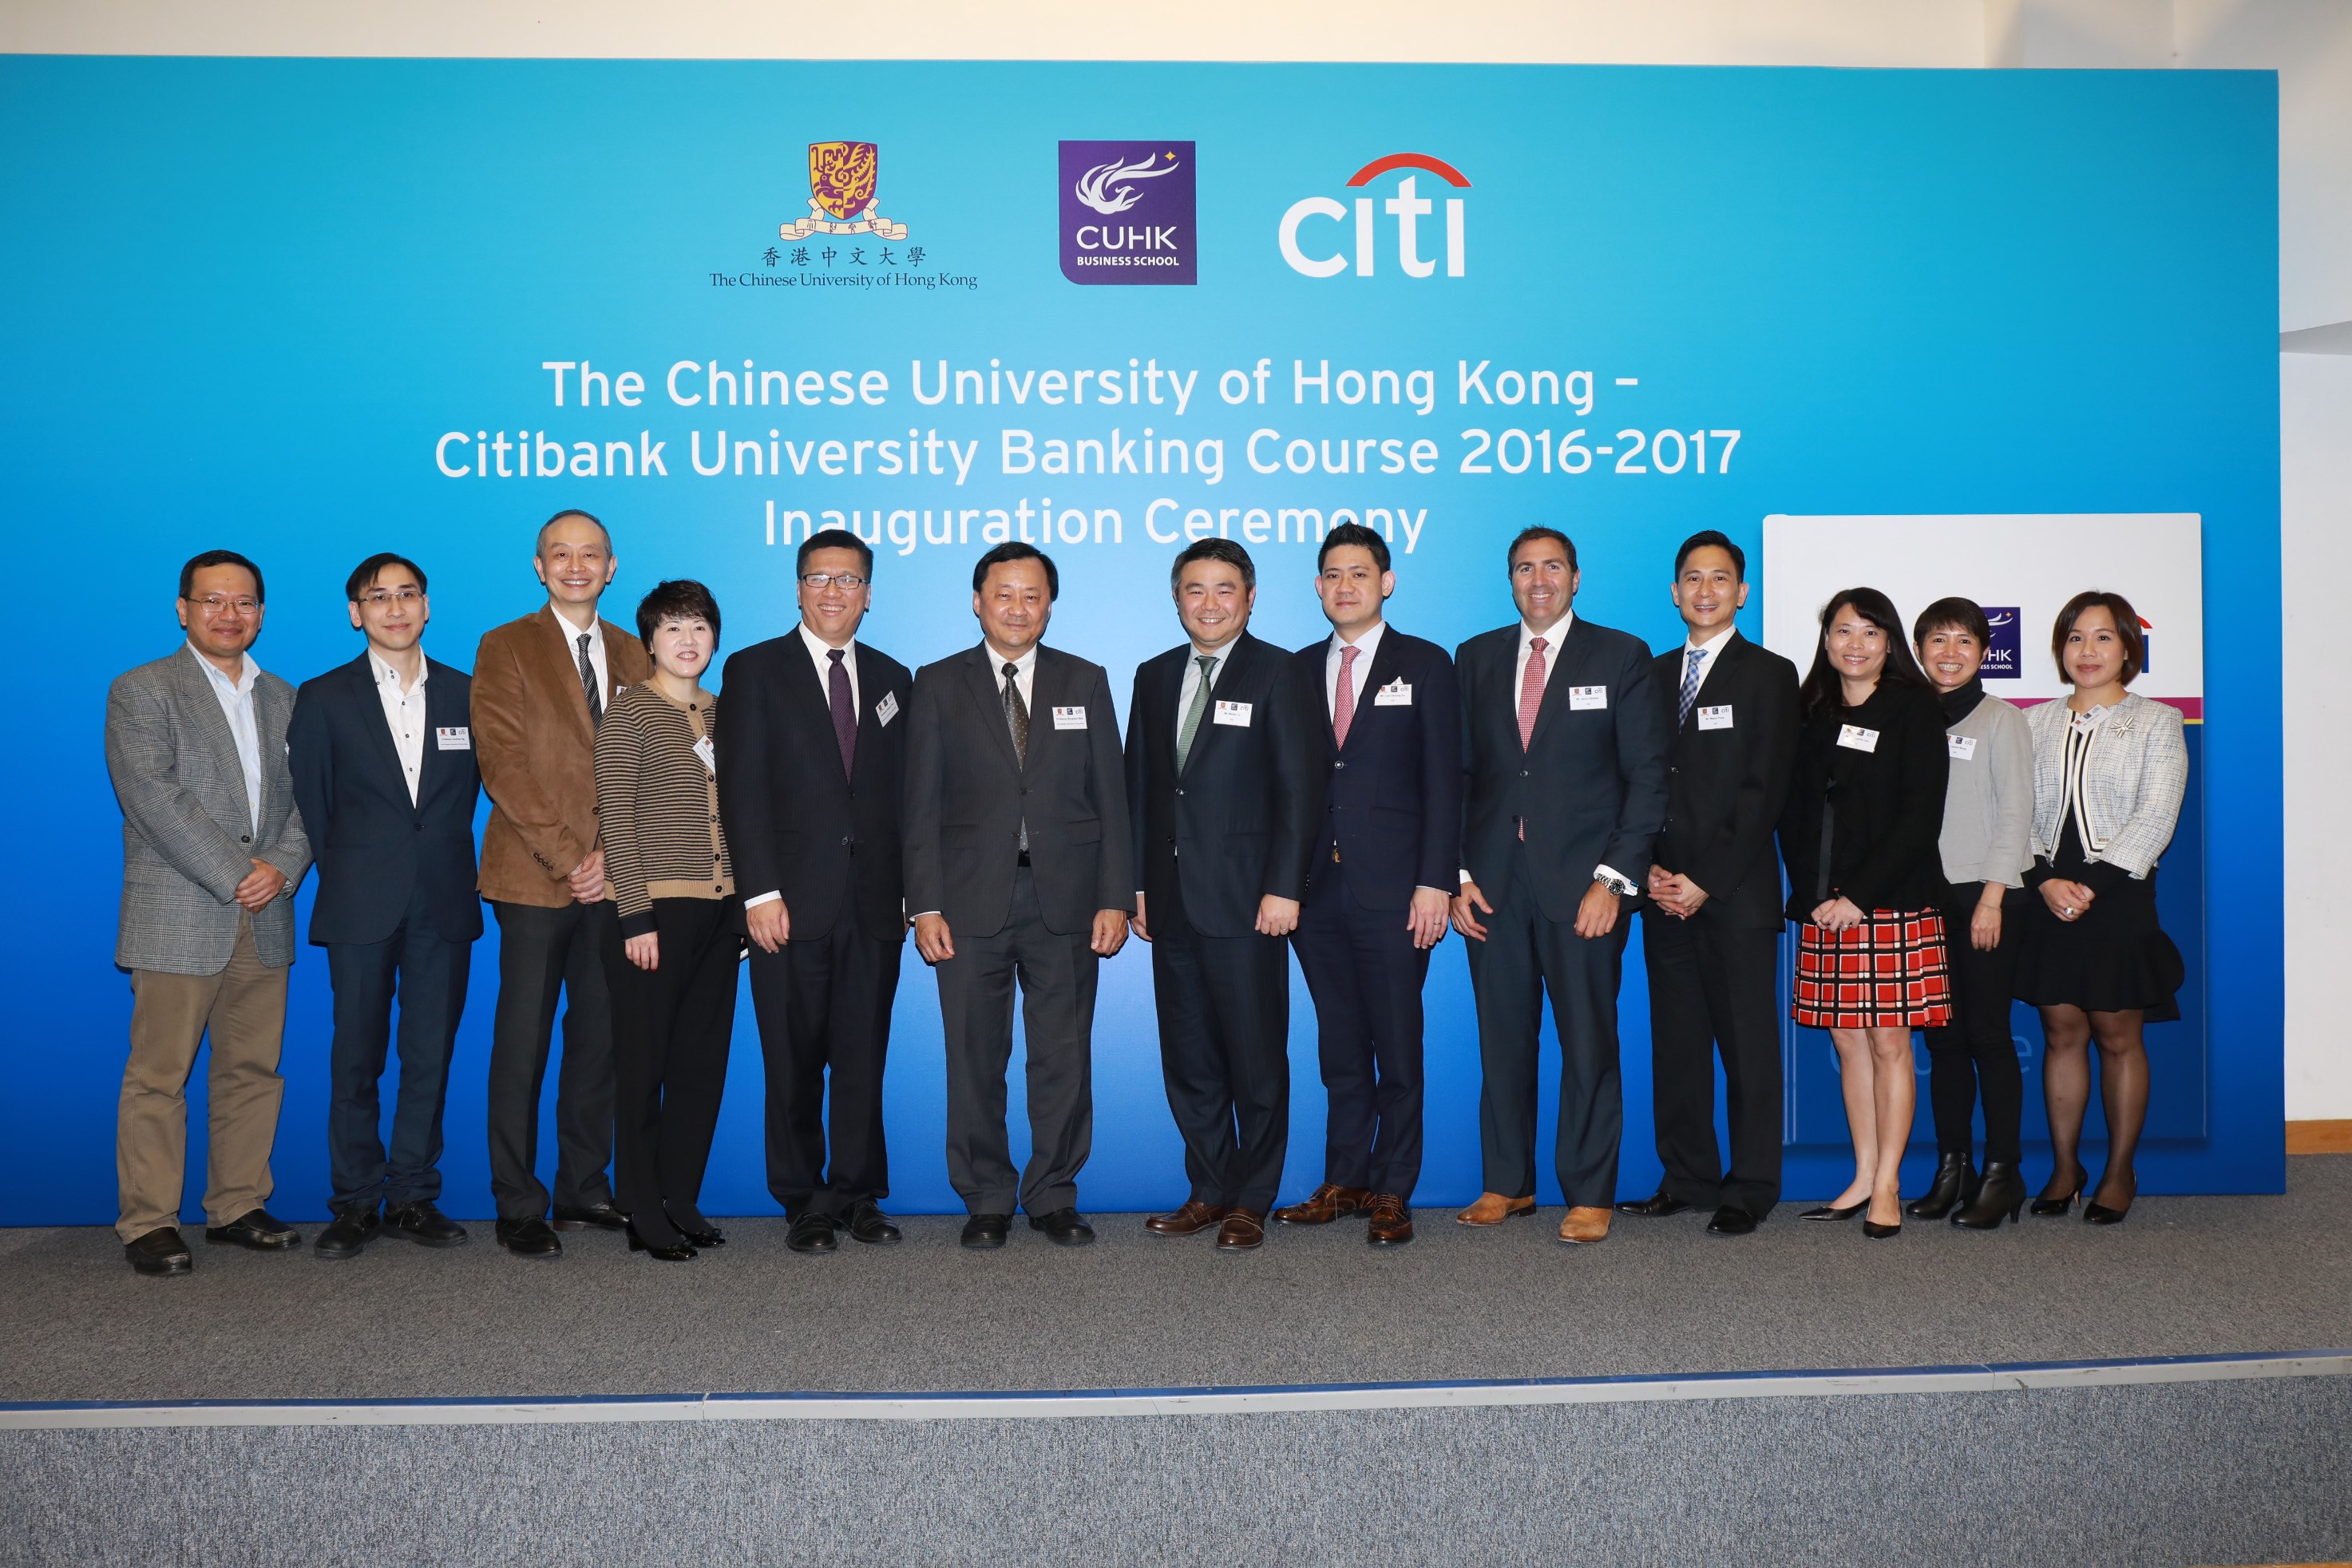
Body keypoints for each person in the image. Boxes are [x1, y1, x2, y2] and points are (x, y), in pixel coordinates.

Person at [904, 543, 1132, 1249]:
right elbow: (919, 803)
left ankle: (1053, 1193)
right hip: (968, 903)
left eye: (1032, 596)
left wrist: (1114, 896)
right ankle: (987, 1198)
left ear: (1050, 605)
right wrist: (925, 903)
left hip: (1066, 899)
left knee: (1062, 1056)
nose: (1018, 608)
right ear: (978, 601)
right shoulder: (938, 683)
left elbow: (1113, 800)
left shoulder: (1085, 680)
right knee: (974, 1055)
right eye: (1004, 594)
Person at [1451, 527, 1669, 1246]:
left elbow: (1646, 781)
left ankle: (1589, 1190)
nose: (1537, 580)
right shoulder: (1476, 658)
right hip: (1494, 887)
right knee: (1502, 1040)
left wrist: (1614, 881)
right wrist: (1457, 875)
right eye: (1523, 568)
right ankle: (1506, 1183)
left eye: (1551, 567)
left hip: (1585, 888)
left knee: (1588, 1041)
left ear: (1576, 578)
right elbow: (1458, 778)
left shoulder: (1621, 655)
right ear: (1509, 579)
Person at [104, 549, 312, 1276]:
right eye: (214, 601)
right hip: (181, 911)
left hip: (268, 913)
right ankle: (149, 1222)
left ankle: (237, 1205)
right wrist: (237, 875)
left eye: (245, 602)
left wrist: (281, 869)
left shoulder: (286, 698)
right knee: (160, 1075)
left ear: (261, 611)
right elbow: (154, 797)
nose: (231, 615)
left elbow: (309, 800)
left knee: (253, 1069)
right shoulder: (142, 690)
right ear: (183, 608)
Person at [716, 532, 914, 1255]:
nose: (833, 592)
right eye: (818, 578)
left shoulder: (895, 679)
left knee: (864, 1056)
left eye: (849, 580)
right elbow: (741, 789)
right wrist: (758, 892)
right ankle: (802, 1199)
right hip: (787, 904)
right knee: (793, 1059)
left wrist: (910, 895)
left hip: (872, 906)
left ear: (869, 592)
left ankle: (857, 1193)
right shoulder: (755, 669)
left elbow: (902, 802)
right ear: (798, 589)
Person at [1127, 539, 1321, 1253]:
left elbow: (1301, 792)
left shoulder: (1279, 672)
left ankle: (1252, 1198)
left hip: (1248, 903)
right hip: (1171, 903)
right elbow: (1141, 790)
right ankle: (1209, 1189)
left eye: (1224, 590)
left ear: (1250, 596)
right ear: (1176, 598)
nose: (1209, 604)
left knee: (1255, 1057)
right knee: (1190, 1056)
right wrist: (1138, 888)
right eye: (1194, 590)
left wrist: (1283, 889)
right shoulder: (1151, 677)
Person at [287, 553, 481, 1261]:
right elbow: (313, 804)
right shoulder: (324, 697)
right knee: (356, 1059)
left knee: (429, 1056)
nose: (395, 609)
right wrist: (358, 873)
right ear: (355, 612)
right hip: (360, 904)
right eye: (378, 598)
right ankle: (355, 1202)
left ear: (427, 606)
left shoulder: (468, 693)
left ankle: (412, 1197)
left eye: (407, 595)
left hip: (445, 903)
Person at [1274, 523, 1460, 1248]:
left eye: (1359, 573)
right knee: (1340, 1048)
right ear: (1317, 588)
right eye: (1332, 575)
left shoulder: (1426, 663)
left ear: (1386, 583)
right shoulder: (1294, 670)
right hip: (1316, 892)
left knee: (1398, 1046)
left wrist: (1434, 882)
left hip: (1397, 893)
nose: (1344, 586)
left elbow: (1446, 782)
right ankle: (1345, 1180)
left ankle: (1392, 1189)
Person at [473, 509, 651, 1259]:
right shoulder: (505, 645)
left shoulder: (636, 651)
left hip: (618, 882)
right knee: (523, 1044)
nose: (576, 566)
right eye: (559, 554)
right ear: (539, 567)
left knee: (601, 1042)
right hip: (536, 878)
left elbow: (653, 764)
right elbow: (502, 762)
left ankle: (584, 1186)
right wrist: (572, 857)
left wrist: (614, 856)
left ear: (612, 567)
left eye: (590, 555)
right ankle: (518, 1203)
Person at [1617, 531, 1800, 1239]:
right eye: (1691, 578)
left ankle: (1750, 1187)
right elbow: (1637, 780)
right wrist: (1655, 873)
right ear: (1674, 591)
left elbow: (1764, 791)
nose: (1704, 591)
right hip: (1663, 896)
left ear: (1741, 592)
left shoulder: (1770, 674)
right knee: (1679, 1047)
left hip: (1734, 895)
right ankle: (1688, 1178)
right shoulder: (1653, 675)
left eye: (1719, 579)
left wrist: (1705, 880)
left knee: (1748, 1050)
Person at [1778, 588, 1951, 1240]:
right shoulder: (1812, 711)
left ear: (1890, 643)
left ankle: (1888, 1186)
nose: (1855, 644)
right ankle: (1861, 1173)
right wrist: (1816, 895)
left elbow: (1918, 820)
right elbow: (1793, 814)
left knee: (1888, 1043)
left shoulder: (1913, 709)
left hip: (1890, 904)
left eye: (1870, 633)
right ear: (1826, 641)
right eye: (1843, 631)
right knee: (1847, 1039)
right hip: (1825, 908)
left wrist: (1859, 898)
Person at [2012, 591, 2187, 1225]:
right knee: (2060, 1032)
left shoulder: (2157, 720)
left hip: (2117, 901)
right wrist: (2043, 881)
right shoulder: (2030, 721)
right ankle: (2064, 1167)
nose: (2089, 651)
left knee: (2118, 1036)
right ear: (2061, 648)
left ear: (2128, 648)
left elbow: (2157, 815)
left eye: (2104, 637)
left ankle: (2118, 1171)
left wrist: (2089, 886)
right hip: (2044, 896)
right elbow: (2015, 812)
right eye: (2076, 637)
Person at [595, 580, 742, 1261]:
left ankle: (680, 1196)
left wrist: (741, 908)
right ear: (649, 639)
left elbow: (743, 819)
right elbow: (616, 821)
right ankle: (640, 1205)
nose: (688, 641)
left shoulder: (727, 714)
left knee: (700, 1065)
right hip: (654, 914)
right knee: (644, 1066)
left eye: (701, 628)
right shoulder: (630, 714)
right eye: (674, 628)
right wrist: (634, 916)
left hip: (720, 916)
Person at [1907, 597, 2035, 1229]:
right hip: (1924, 899)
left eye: (1963, 641)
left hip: (1986, 897)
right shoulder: (1909, 716)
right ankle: (1951, 1170)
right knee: (1943, 1040)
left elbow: (2017, 815)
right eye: (1937, 640)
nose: (1949, 653)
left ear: (1985, 652)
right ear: (1920, 649)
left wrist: (1992, 897)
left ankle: (2003, 1174)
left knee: (1987, 1035)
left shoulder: (2002, 719)